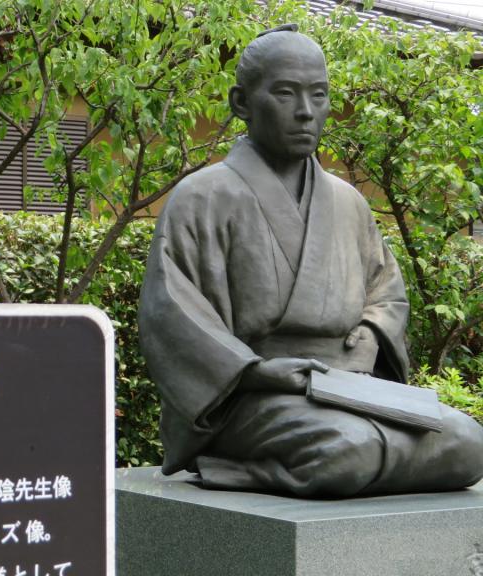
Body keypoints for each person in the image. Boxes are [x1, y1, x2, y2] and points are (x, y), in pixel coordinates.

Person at [138, 24, 483, 498]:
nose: (306, 112)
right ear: (242, 103)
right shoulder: (202, 196)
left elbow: (386, 292)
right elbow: (172, 314)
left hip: (348, 384)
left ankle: (305, 462)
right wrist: (255, 371)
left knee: (468, 443)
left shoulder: (347, 201)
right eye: (285, 93)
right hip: (251, 396)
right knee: (347, 449)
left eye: (318, 95)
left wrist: (368, 333)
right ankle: (239, 467)